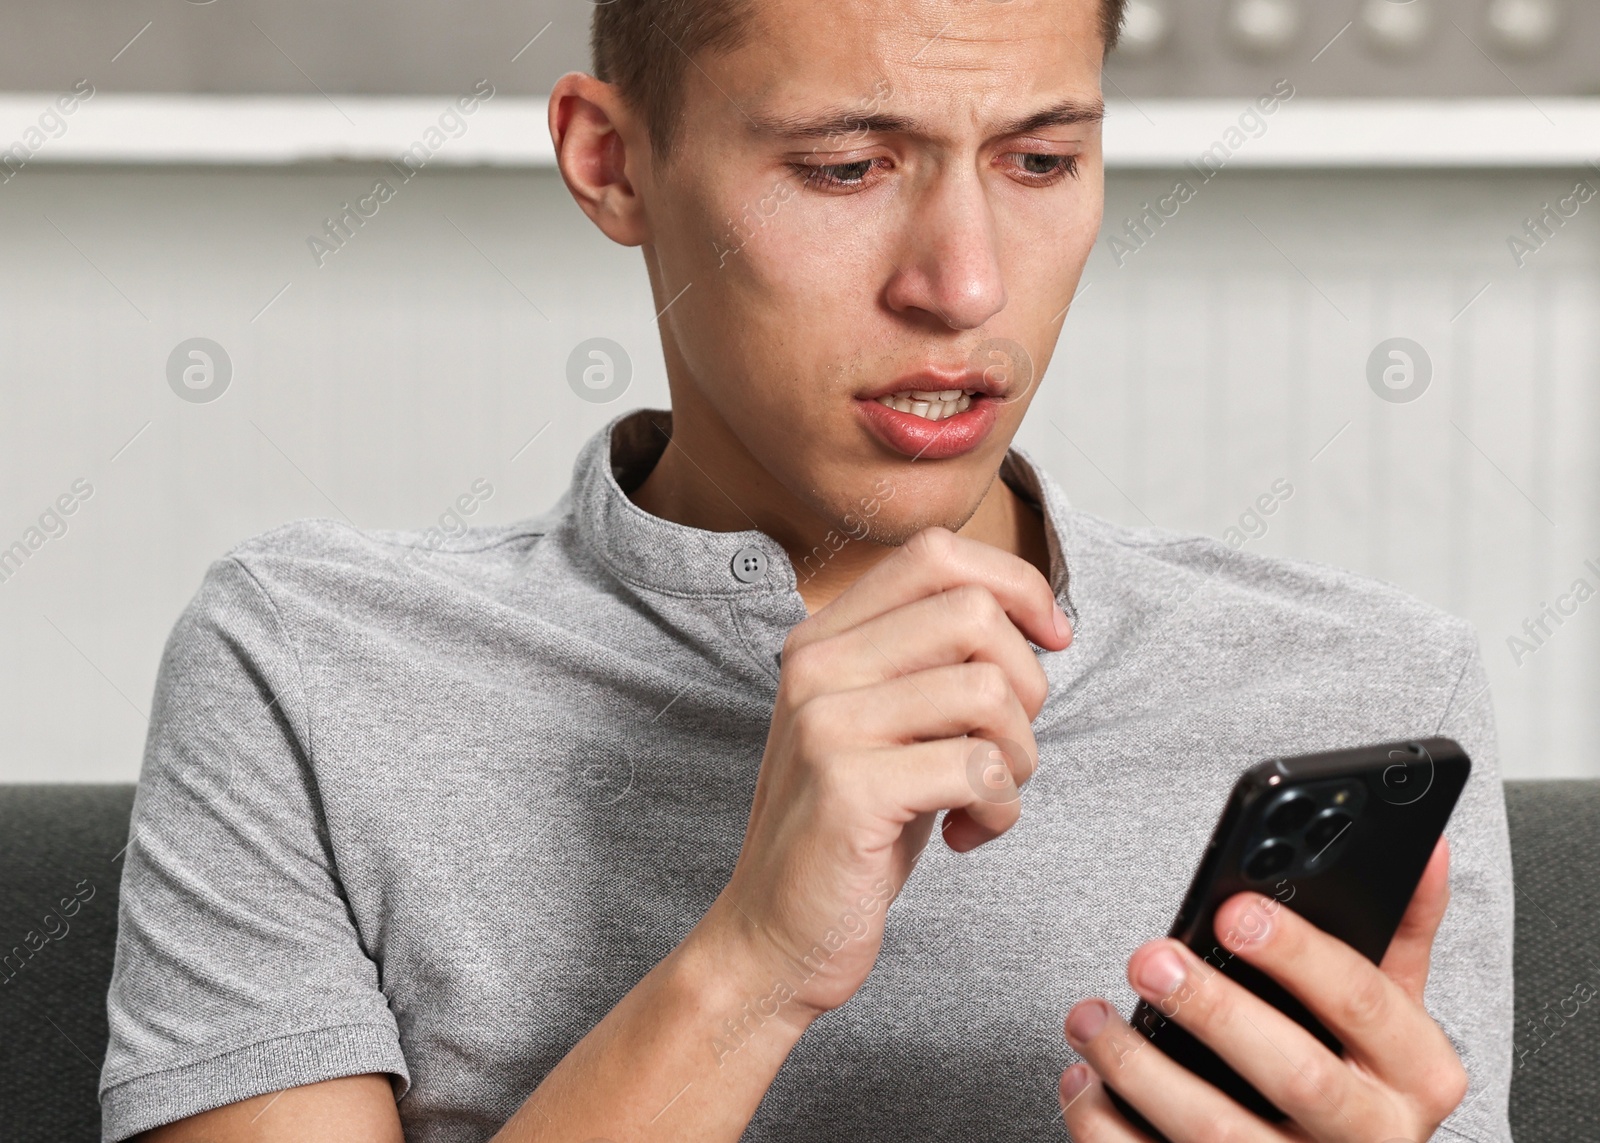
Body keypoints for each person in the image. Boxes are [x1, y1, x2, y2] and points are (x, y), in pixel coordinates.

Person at [99, 0, 1513, 1139]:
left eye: (1040, 160)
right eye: (844, 167)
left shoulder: (1364, 689)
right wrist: (752, 966)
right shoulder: (306, 665)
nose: (963, 285)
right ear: (612, 160)